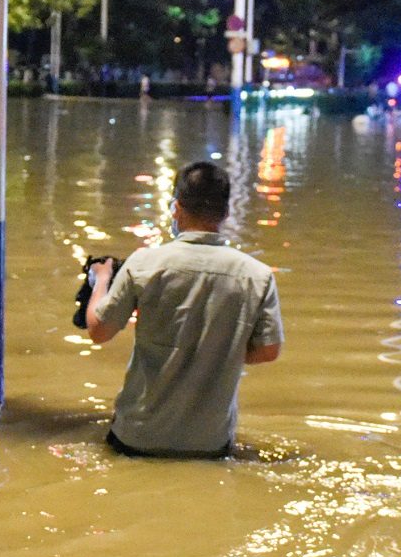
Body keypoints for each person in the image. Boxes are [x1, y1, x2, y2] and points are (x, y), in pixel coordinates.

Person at [85, 160, 283, 457]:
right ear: (226, 213)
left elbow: (99, 331)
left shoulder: (144, 264)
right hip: (210, 443)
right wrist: (216, 352)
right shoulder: (257, 276)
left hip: (137, 436)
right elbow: (269, 350)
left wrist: (101, 280)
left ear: (176, 208)